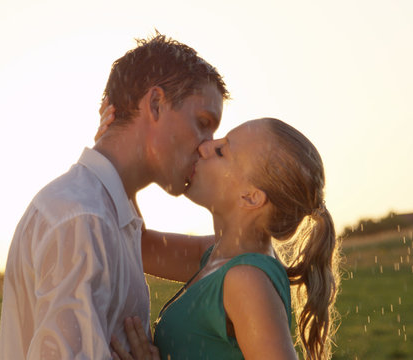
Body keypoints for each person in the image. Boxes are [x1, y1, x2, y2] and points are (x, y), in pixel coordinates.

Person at [0, 33, 228, 359]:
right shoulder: (82, 219)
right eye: (203, 123)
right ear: (156, 104)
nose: (207, 145)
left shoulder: (106, 215)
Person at [106, 117, 341, 360]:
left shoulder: (246, 280)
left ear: (250, 197)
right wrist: (125, 148)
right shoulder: (216, 254)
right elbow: (137, 245)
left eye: (221, 151)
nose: (204, 146)